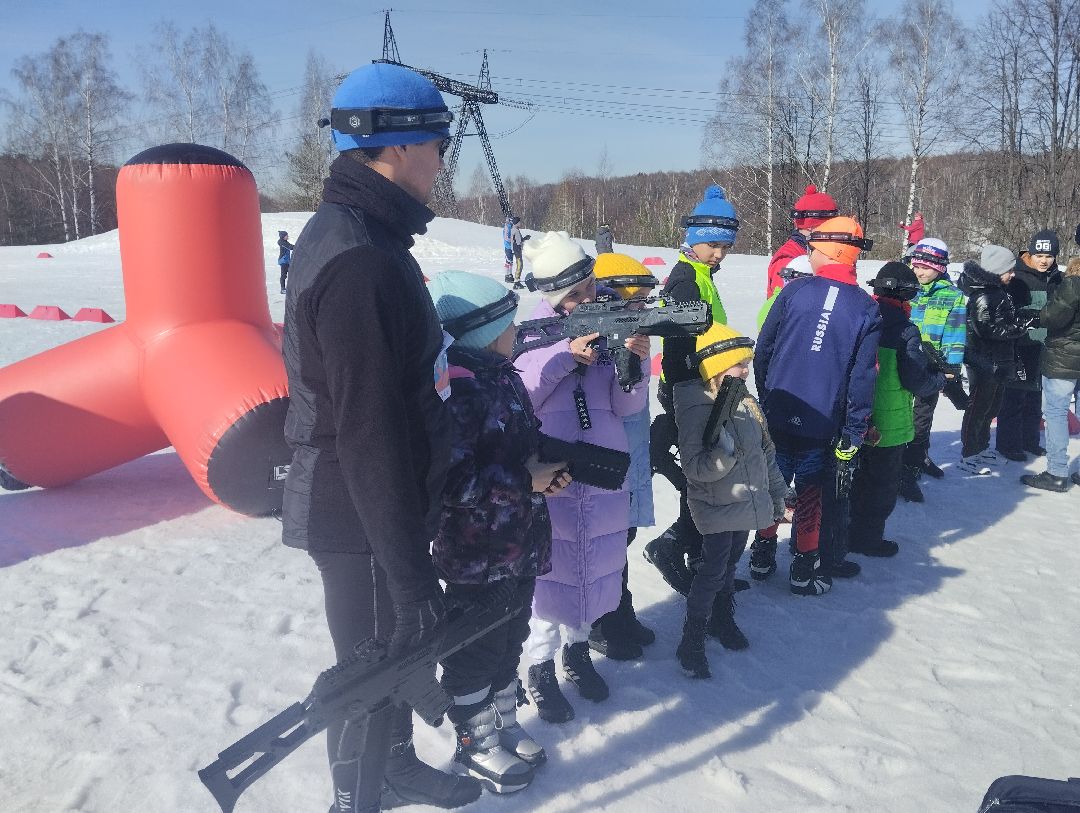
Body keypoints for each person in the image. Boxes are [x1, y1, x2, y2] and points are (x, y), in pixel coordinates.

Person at [279, 62, 481, 813]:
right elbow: (365, 428)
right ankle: (353, 797)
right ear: (396, 148)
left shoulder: (368, 234)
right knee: (367, 673)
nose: (439, 163)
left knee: (397, 655)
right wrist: (406, 571)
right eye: (436, 145)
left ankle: (392, 768)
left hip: (381, 505)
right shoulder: (360, 258)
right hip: (361, 510)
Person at [427, 271, 570, 793]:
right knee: (473, 650)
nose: (518, 333)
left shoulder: (502, 374)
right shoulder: (458, 389)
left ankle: (505, 722)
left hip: (520, 541)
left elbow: (515, 444)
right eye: (509, 325)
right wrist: (521, 479)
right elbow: (451, 481)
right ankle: (475, 742)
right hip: (477, 552)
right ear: (484, 333)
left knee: (511, 637)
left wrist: (545, 468)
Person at [515, 231, 650, 723]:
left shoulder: (610, 318)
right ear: (552, 298)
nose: (586, 300)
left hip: (602, 471)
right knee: (550, 576)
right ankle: (540, 668)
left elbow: (626, 404)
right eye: (573, 295)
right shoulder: (533, 333)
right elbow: (521, 396)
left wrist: (634, 362)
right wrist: (562, 360)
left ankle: (577, 653)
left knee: (594, 570)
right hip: (552, 476)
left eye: (589, 288)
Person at [754, 216, 881, 594]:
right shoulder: (864, 307)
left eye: (811, 249)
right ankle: (803, 569)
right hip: (824, 422)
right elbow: (863, 377)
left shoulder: (794, 292)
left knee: (772, 485)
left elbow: (764, 350)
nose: (807, 255)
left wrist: (767, 396)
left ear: (824, 251)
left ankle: (761, 556)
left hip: (779, 412)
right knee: (811, 494)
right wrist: (854, 431)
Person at [672, 324, 787, 678]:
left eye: (747, 362)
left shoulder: (746, 401)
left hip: (748, 503)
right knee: (711, 571)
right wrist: (727, 455)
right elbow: (695, 467)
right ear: (718, 365)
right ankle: (691, 639)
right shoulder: (696, 406)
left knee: (729, 567)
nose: (746, 369)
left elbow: (766, 452)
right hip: (717, 505)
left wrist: (777, 494)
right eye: (740, 364)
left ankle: (722, 619)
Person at [644, 184, 739, 598]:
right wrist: (695, 390)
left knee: (707, 476)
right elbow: (680, 346)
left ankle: (701, 557)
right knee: (703, 479)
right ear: (695, 240)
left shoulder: (701, 274)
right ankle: (675, 545)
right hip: (691, 388)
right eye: (714, 245)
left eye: (726, 247)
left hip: (705, 384)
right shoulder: (686, 281)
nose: (719, 254)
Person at [588, 253, 660, 661]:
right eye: (636, 303)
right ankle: (603, 621)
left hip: (630, 454)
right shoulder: (596, 344)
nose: (642, 312)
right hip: (607, 459)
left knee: (624, 537)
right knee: (608, 542)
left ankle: (621, 610)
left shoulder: (631, 339)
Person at [847, 263, 946, 558]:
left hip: (855, 415)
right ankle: (867, 538)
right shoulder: (905, 330)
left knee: (855, 477)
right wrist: (939, 379)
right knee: (881, 484)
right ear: (907, 296)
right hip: (888, 422)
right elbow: (916, 379)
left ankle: (845, 530)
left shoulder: (859, 317)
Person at [899, 238, 968, 502]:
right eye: (916, 265)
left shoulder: (953, 297)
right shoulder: (909, 291)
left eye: (926, 267)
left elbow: (955, 335)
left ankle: (916, 461)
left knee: (922, 419)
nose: (919, 271)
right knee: (903, 417)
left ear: (940, 267)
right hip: (906, 365)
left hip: (932, 369)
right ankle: (905, 465)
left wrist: (950, 369)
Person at [956, 245, 1033, 476]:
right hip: (983, 361)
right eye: (1009, 270)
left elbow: (1000, 321)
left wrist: (1020, 319)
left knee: (992, 408)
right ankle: (969, 452)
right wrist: (1019, 328)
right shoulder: (983, 294)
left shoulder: (997, 291)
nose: (1013, 274)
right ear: (997, 270)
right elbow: (986, 329)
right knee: (978, 407)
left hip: (998, 360)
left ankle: (981, 447)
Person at [996, 230, 1063, 461]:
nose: (1044, 260)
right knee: (1014, 397)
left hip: (1046, 347)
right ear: (1030, 254)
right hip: (1020, 346)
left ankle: (1029, 440)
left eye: (1049, 256)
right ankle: (1008, 444)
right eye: (1039, 255)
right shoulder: (1018, 279)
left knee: (1035, 399)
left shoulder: (1057, 279)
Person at [1022, 257, 1080, 491]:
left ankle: (1056, 472)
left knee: (1055, 412)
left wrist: (1034, 316)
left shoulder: (1074, 283)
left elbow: (1054, 316)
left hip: (1064, 357)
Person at [765, 184, 839, 298]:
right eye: (830, 227)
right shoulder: (787, 259)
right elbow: (786, 304)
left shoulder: (817, 252)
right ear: (813, 227)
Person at [510, 216, 528, 290]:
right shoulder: (516, 231)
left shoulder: (514, 229)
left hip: (515, 249)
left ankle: (517, 281)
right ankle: (516, 282)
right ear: (517, 223)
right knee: (519, 265)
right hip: (517, 249)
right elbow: (518, 242)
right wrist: (525, 239)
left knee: (519, 264)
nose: (520, 223)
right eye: (519, 222)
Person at [502, 215, 514, 281]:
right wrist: (512, 239)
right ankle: (506, 275)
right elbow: (506, 238)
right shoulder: (507, 227)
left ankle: (510, 274)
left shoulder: (511, 226)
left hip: (511, 246)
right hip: (508, 246)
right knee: (508, 261)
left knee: (511, 261)